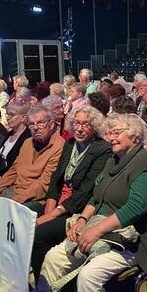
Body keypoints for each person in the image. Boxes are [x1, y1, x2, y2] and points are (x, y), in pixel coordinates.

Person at [23, 113, 147, 292]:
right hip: (101, 230)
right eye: (109, 133)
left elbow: (136, 208)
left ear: (135, 136)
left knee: (89, 276)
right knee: (53, 258)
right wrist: (82, 220)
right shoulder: (113, 159)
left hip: (133, 241)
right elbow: (95, 197)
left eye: (116, 133)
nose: (110, 138)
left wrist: (96, 231)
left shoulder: (146, 164)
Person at [31, 106, 111, 279]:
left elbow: (86, 190)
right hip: (59, 201)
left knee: (37, 235)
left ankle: (43, 285)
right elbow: (56, 178)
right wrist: (50, 206)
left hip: (77, 208)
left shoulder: (102, 149)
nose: (80, 129)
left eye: (86, 124)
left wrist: (52, 215)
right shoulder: (70, 143)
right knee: (25, 213)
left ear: (95, 126)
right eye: (77, 123)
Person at [0, 106, 64, 203]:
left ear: (51, 124)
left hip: (34, 199)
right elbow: (12, 172)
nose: (36, 128)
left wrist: (12, 202)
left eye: (40, 123)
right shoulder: (27, 142)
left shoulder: (59, 146)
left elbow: (43, 185)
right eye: (31, 124)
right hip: (14, 191)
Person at [0, 101, 32, 177]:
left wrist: (2, 178)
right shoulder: (10, 134)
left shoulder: (28, 137)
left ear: (23, 117)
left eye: (11, 114)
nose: (7, 117)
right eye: (7, 114)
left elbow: (21, 165)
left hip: (9, 178)